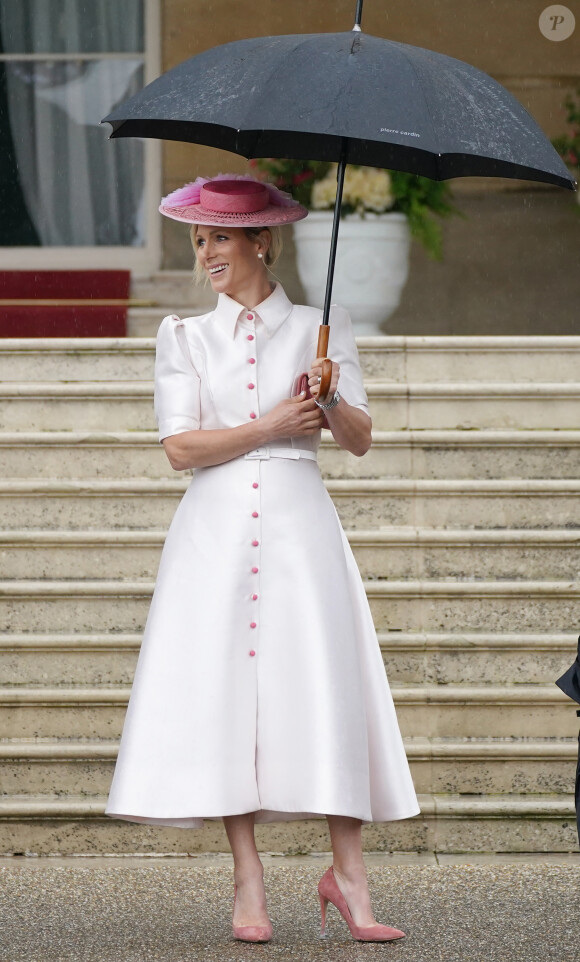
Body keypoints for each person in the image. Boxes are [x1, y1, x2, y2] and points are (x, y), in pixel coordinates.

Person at [105, 173, 420, 943]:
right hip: (213, 533)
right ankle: (248, 878)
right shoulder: (183, 336)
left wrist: (332, 396)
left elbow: (359, 439)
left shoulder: (323, 324)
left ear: (261, 241)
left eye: (221, 238)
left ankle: (348, 877)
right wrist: (273, 421)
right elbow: (180, 447)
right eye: (201, 239)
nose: (208, 252)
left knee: (324, 685)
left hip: (300, 524)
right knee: (226, 698)